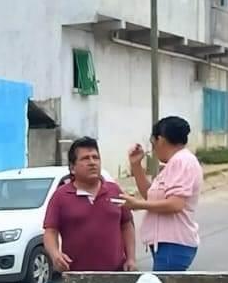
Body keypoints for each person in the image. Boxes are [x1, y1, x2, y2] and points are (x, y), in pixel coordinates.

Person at [43, 137, 136, 273]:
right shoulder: (61, 196)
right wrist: (55, 254)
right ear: (72, 168)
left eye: (95, 157)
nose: (92, 163)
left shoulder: (114, 190)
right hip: (77, 275)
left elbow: (127, 225)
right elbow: (50, 232)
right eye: (85, 158)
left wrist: (131, 258)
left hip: (116, 273)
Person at [123, 116, 203, 271]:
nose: (153, 149)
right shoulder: (174, 163)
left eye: (152, 143)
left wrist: (137, 204)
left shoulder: (182, 161)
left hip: (173, 244)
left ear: (160, 140)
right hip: (166, 245)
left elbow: (175, 204)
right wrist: (136, 166)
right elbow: (150, 196)